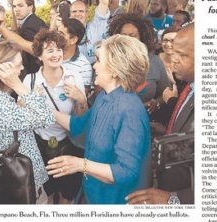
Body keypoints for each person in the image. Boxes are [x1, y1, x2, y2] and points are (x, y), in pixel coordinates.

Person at [46, 35, 151, 204]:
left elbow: (126, 172)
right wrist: (42, 109)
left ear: (116, 69)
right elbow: (78, 125)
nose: (94, 66)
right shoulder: (104, 96)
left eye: (98, 60)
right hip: (93, 194)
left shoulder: (129, 109)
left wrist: (80, 165)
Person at [0, 39, 55, 203]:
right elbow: (47, 117)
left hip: (6, 178)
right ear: (2, 70)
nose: (22, 69)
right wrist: (20, 87)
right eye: (18, 65)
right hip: (22, 180)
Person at [126, 23, 195, 205]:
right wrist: (167, 133)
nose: (174, 60)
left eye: (182, 55)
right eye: (174, 53)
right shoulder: (190, 86)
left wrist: (175, 199)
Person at [23, 30, 87, 203]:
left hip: (68, 144)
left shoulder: (74, 77)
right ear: (39, 55)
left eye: (59, 49)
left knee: (67, 194)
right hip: (40, 145)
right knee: (46, 193)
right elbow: (23, 118)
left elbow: (82, 120)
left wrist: (80, 98)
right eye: (50, 50)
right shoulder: (30, 80)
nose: (56, 54)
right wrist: (30, 103)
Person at [107, 13, 171, 106]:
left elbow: (165, 93)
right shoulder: (109, 59)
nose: (128, 39)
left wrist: (156, 103)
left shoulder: (154, 61)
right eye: (124, 35)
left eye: (132, 35)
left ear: (142, 37)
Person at [69, 0, 109, 64]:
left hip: (96, 69)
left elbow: (104, 2)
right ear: (70, 15)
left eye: (81, 11)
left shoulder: (95, 26)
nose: (77, 14)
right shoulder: (64, 32)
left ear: (87, 14)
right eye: (74, 11)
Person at [57, 18, 93, 94]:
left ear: (73, 40)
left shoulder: (84, 67)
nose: (56, 36)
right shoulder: (49, 56)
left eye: (61, 34)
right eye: (57, 32)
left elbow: (82, 98)